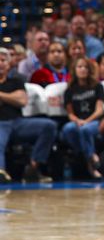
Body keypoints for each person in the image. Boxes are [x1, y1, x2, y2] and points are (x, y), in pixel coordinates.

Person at [0, 48, 57, 184]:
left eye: (3, 60)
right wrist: (12, 97)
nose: (0, 63)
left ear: (9, 64)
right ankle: (1, 172)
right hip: (1, 124)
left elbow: (22, 101)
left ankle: (33, 168)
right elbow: (17, 98)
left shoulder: (16, 80)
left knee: (49, 126)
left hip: (18, 122)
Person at [62, 57, 104, 179]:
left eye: (85, 67)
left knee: (85, 130)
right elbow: (70, 113)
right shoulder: (70, 90)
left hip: (95, 121)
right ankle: (90, 157)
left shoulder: (97, 86)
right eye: (80, 67)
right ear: (74, 70)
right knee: (67, 129)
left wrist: (86, 121)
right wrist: (78, 121)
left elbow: (100, 110)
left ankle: (89, 161)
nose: (83, 69)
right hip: (77, 121)